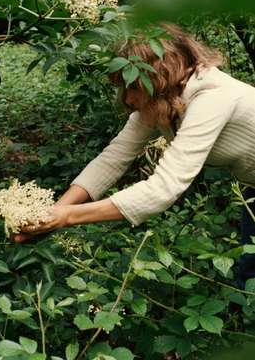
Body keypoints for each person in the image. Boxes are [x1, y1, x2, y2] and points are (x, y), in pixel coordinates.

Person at [14, 24, 255, 288]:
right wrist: (55, 212)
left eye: (133, 87)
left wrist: (68, 217)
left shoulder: (213, 97)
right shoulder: (163, 99)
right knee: (250, 274)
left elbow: (164, 188)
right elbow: (113, 158)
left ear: (161, 77)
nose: (127, 99)